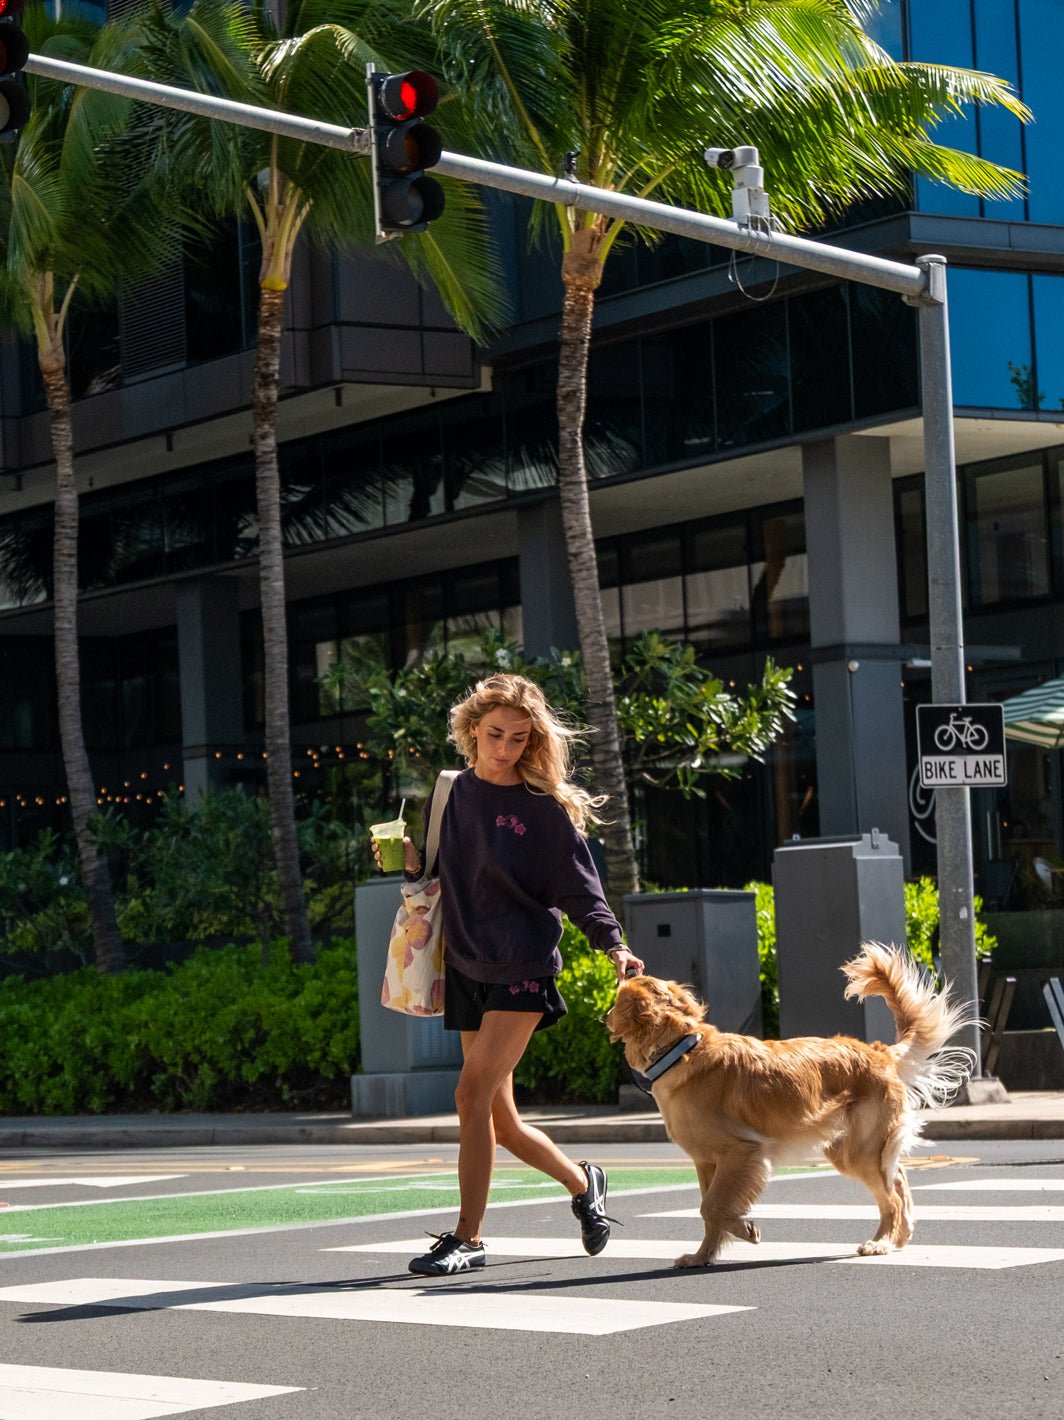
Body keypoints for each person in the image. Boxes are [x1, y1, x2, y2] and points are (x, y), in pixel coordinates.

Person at [372, 672, 643, 1276]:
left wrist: (614, 945)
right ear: (472, 730)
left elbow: (581, 889)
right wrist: (412, 861)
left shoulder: (543, 809)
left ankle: (468, 1238)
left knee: (469, 1095)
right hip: (466, 963)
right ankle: (584, 1181)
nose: (505, 748)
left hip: (522, 964)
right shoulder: (450, 793)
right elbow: (439, 877)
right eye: (495, 734)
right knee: (499, 1118)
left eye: (519, 739)